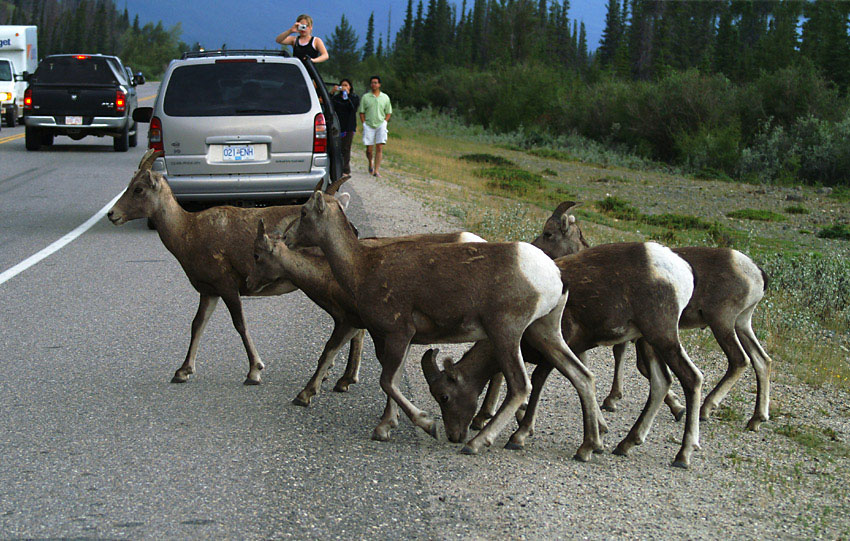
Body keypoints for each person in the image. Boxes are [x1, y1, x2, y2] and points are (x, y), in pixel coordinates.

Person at [357, 75, 392, 177]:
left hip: (380, 124)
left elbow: (388, 111)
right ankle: (370, 162)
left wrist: (385, 121)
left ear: (379, 84)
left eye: (376, 83)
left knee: (379, 147)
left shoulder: (385, 97)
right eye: (372, 83)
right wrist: (364, 123)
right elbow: (362, 112)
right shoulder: (366, 97)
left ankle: (376, 170)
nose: (374, 84)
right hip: (369, 124)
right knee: (369, 149)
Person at [331, 79, 360, 176]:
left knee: (346, 148)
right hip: (338, 125)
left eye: (346, 85)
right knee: (336, 147)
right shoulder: (336, 98)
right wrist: (332, 92)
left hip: (349, 126)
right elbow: (329, 104)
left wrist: (347, 96)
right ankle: (335, 167)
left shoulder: (354, 98)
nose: (344, 87)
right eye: (342, 85)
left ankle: (345, 169)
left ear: (350, 87)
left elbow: (353, 108)